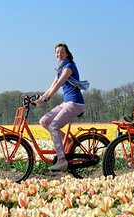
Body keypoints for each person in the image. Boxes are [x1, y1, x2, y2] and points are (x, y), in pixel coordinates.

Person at [36, 43, 87, 171]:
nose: (59, 54)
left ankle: (62, 160)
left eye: (62, 52)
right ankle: (68, 142)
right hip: (67, 103)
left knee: (53, 125)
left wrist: (48, 97)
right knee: (44, 121)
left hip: (75, 103)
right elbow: (51, 86)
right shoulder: (60, 69)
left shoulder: (69, 66)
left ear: (67, 53)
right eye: (57, 52)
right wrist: (40, 99)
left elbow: (59, 84)